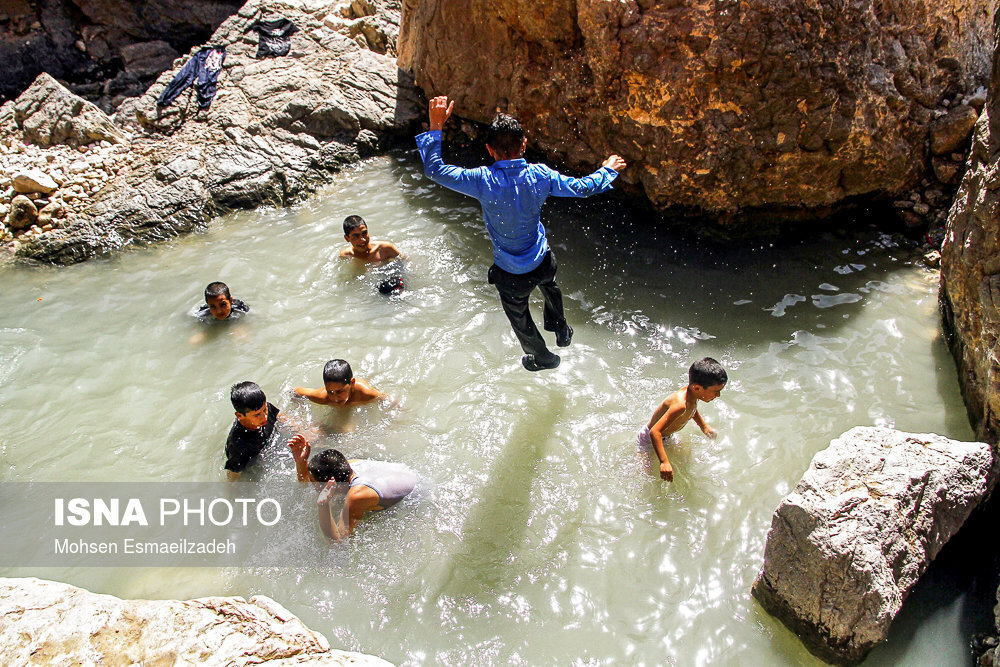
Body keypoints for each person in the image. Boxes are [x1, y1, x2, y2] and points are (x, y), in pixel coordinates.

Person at [415, 95, 627, 371]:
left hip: (510, 273)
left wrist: (436, 125)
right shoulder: (540, 175)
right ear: (524, 145)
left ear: (489, 150)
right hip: (542, 261)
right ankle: (560, 328)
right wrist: (607, 171)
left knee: (519, 316)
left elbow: (434, 170)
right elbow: (583, 188)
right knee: (550, 286)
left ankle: (543, 357)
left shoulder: (482, 180)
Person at [288, 435, 418, 540]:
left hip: (415, 499)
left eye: (314, 482)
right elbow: (306, 484)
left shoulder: (357, 496)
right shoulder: (348, 466)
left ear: (330, 484)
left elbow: (338, 540)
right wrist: (301, 463)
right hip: (410, 473)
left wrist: (324, 505)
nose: (311, 484)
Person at [638, 357, 728, 482]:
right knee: (648, 476)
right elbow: (654, 432)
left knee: (683, 460)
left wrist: (703, 426)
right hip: (649, 439)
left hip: (667, 436)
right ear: (697, 388)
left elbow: (692, 410)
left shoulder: (692, 395)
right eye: (716, 391)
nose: (718, 395)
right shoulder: (680, 405)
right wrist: (664, 462)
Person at [224, 381, 292, 480]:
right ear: (240, 416)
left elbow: (281, 417)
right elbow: (233, 476)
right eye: (257, 415)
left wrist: (307, 431)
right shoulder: (238, 447)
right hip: (256, 467)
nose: (264, 417)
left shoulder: (264, 408)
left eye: (264, 410)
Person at [293, 359, 387, 406]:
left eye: (340, 391)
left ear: (352, 383)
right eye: (330, 392)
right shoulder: (323, 397)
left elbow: (388, 399)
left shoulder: (365, 394)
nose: (335, 398)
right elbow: (294, 392)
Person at [339, 215, 404, 263]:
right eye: (356, 236)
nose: (363, 239)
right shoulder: (346, 255)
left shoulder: (384, 248)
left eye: (364, 233)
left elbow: (405, 261)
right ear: (347, 238)